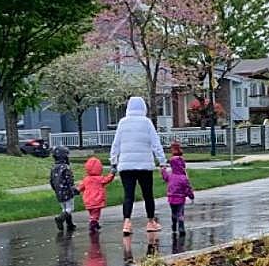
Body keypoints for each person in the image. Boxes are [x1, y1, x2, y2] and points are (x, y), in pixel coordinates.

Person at [109, 96, 168, 235]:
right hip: (144, 165)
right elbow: (155, 143)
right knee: (148, 194)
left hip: (126, 166)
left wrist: (113, 161)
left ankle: (127, 222)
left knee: (128, 195)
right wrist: (162, 161)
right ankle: (151, 222)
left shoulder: (122, 123)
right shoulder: (147, 123)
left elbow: (116, 144)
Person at [77, 155, 115, 232]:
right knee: (96, 213)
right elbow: (107, 180)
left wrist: (76, 190)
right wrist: (112, 173)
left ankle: (95, 222)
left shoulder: (86, 179)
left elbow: (81, 187)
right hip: (97, 199)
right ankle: (93, 223)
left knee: (92, 212)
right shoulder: (99, 179)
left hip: (87, 200)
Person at [161, 154, 194, 237]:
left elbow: (165, 177)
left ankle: (174, 225)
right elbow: (187, 188)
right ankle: (181, 227)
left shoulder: (170, 175)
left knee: (173, 212)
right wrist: (191, 196)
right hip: (180, 198)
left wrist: (163, 170)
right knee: (180, 213)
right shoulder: (183, 177)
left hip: (171, 198)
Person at [48, 146, 77, 232]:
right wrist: (73, 189)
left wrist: (55, 189)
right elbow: (70, 180)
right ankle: (60, 219)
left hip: (58, 192)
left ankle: (69, 224)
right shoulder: (66, 167)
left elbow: (51, 180)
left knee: (64, 209)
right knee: (69, 208)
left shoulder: (53, 167)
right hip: (67, 192)